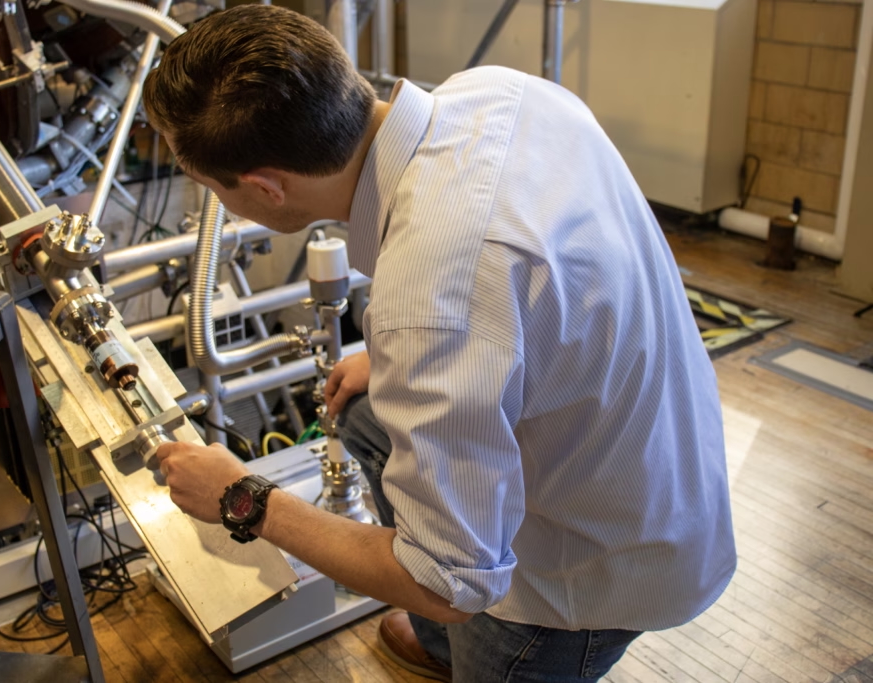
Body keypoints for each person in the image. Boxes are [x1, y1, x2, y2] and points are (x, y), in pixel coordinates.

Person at [144, 5, 737, 682]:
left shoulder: (431, 294)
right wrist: (401, 363)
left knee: (447, 587)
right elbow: (522, 297)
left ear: (265, 187)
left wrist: (242, 499)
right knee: (367, 417)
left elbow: (447, 584)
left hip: (590, 575)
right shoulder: (500, 91)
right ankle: (439, 645)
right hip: (665, 464)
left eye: (214, 189)